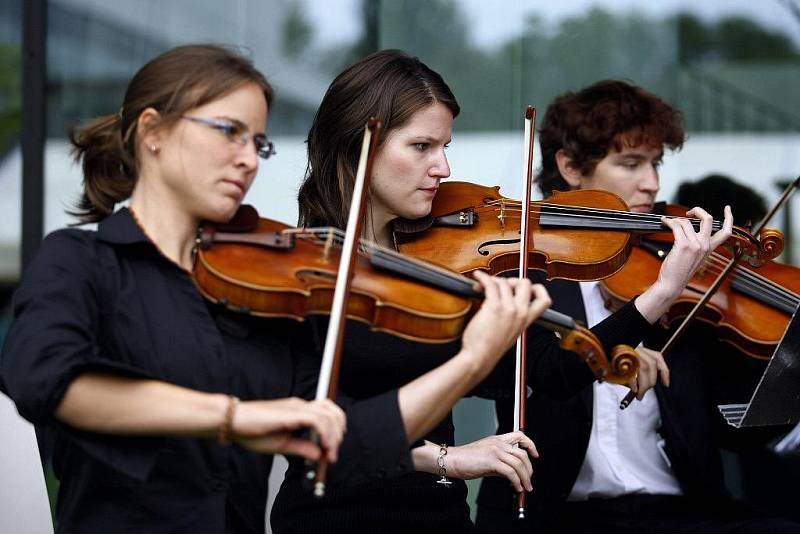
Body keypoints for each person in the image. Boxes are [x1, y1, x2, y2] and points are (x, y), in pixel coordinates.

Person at [271, 51, 730, 534]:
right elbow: (314, 432)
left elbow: (553, 372)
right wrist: (446, 459)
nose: (443, 167)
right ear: (357, 144)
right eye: (422, 146)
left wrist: (663, 289)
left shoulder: (447, 262)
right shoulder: (304, 272)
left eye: (445, 146)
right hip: (336, 520)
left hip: (440, 518)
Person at [0, 44, 348, 533]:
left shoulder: (254, 289)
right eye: (230, 132)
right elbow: (42, 377)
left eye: (258, 143)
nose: (249, 159)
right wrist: (231, 417)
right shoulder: (79, 262)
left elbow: (347, 428)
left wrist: (470, 361)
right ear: (152, 132)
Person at [475, 80, 799, 533]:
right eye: (631, 164)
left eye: (655, 163)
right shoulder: (523, 273)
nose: (652, 183)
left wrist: (790, 373)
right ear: (570, 167)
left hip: (679, 512)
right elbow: (550, 376)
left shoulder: (680, 274)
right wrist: (656, 298)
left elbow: (731, 433)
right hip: (562, 516)